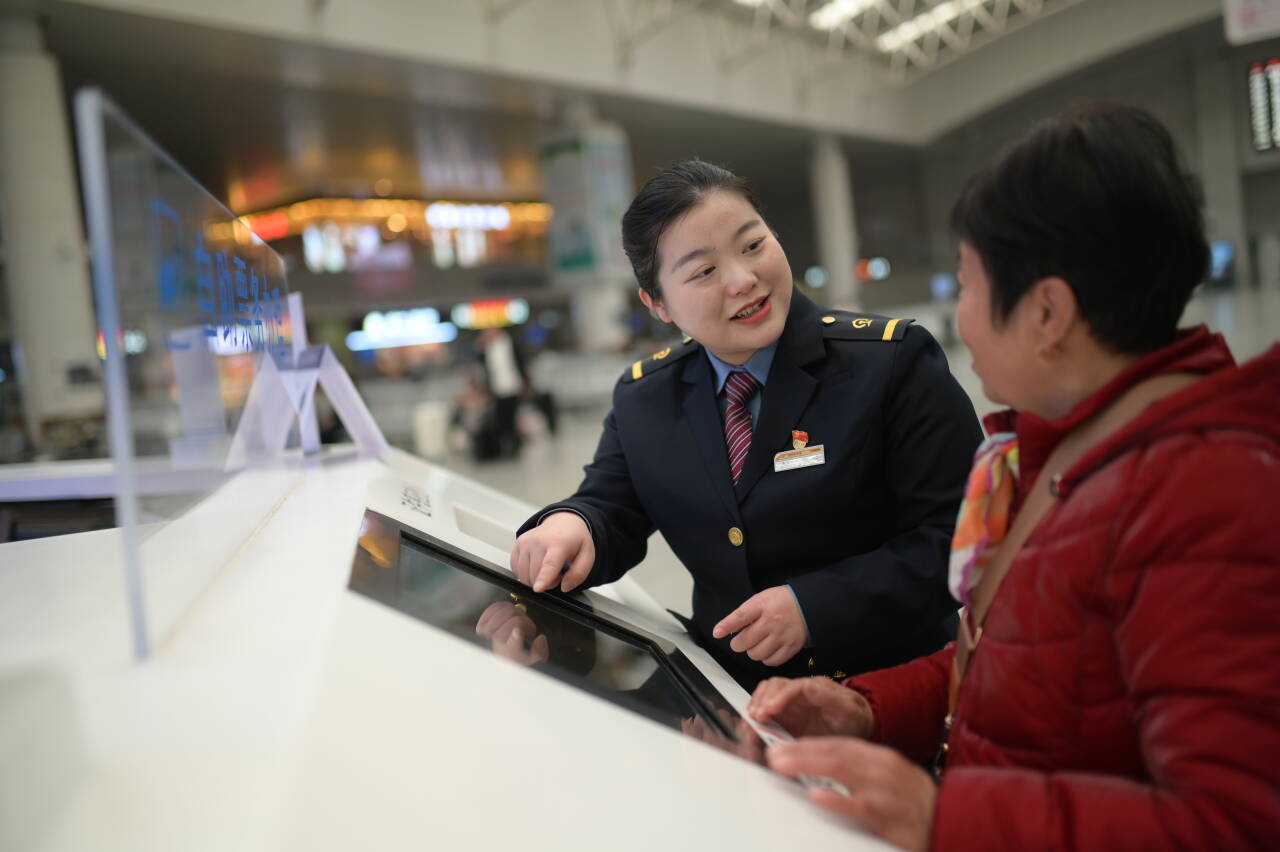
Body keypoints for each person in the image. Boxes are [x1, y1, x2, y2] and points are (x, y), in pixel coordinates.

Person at [750, 103, 1280, 851]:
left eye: (966, 285)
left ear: (1048, 312)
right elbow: (1027, 667)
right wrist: (867, 710)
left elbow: (1236, 823)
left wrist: (947, 819)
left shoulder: (1203, 495)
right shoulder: (1074, 451)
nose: (961, 319)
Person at [509, 160, 982, 690]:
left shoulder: (889, 364)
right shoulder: (647, 398)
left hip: (889, 694)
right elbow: (611, 505)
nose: (742, 280)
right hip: (728, 702)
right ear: (657, 303)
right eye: (703, 272)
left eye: (753, 245)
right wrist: (573, 525)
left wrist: (815, 607)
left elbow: (961, 537)